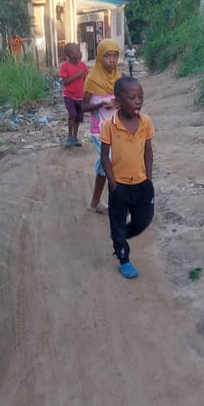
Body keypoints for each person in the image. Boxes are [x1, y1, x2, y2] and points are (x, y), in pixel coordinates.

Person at [100, 76, 155, 278]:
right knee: (118, 222)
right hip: (120, 186)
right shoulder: (110, 125)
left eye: (141, 97)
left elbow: (148, 151)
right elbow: (104, 156)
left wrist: (148, 178)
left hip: (141, 183)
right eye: (132, 98)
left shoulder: (146, 122)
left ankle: (120, 235)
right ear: (118, 102)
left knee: (143, 219)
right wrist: (113, 183)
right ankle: (123, 257)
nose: (138, 101)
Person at [83, 39, 121, 214]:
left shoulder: (119, 78)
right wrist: (100, 104)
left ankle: (95, 202)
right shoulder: (92, 80)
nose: (112, 60)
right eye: (107, 56)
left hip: (117, 129)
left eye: (114, 56)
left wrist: (118, 103)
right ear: (99, 57)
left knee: (104, 165)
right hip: (99, 131)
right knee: (112, 161)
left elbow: (124, 100)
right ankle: (119, 202)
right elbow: (83, 106)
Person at [59, 42, 89, 147]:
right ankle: (69, 136)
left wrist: (86, 92)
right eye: (78, 51)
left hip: (80, 96)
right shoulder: (65, 67)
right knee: (72, 115)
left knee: (78, 117)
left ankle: (75, 138)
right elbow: (65, 82)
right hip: (69, 96)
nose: (80, 53)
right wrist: (76, 76)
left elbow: (86, 79)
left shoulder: (82, 65)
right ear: (71, 55)